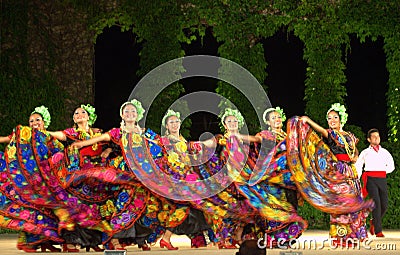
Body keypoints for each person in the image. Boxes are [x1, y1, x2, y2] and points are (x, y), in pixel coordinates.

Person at [300, 103, 370, 246]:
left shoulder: (350, 135)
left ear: (341, 119)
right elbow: (321, 131)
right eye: (329, 118)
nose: (332, 120)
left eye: (335, 117)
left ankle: (354, 235)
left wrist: (355, 156)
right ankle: (341, 237)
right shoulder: (330, 134)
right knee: (342, 203)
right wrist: (308, 120)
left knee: (354, 202)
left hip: (350, 170)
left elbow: (354, 151)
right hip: (337, 170)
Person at [0, 106, 62, 252]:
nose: (34, 122)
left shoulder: (49, 138)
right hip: (27, 181)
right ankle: (30, 243)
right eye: (31, 120)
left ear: (44, 122)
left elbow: (59, 154)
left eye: (38, 120)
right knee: (31, 209)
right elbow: (6, 140)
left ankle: (45, 241)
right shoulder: (23, 134)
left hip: (45, 181)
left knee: (48, 211)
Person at [355, 128, 395, 238]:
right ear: (369, 139)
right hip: (370, 179)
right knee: (376, 203)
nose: (376, 138)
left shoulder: (385, 152)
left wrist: (383, 171)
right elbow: (359, 165)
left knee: (385, 205)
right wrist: (357, 178)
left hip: (381, 178)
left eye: (378, 136)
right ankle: (378, 231)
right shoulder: (365, 152)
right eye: (374, 136)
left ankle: (374, 221)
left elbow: (391, 165)